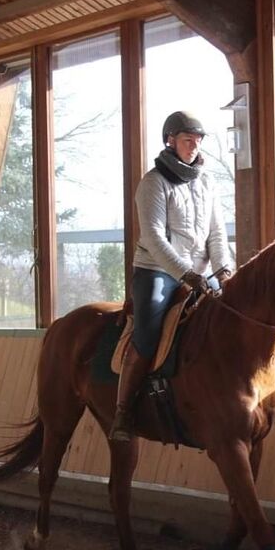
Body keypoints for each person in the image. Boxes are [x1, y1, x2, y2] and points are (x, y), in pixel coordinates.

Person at [109, 111, 233, 442]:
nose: (193, 146)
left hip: (202, 273)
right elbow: (152, 237)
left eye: (197, 140)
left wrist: (223, 268)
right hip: (158, 272)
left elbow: (217, 233)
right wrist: (185, 273)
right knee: (148, 333)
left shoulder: (207, 182)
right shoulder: (153, 183)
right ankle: (123, 412)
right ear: (170, 141)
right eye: (187, 140)